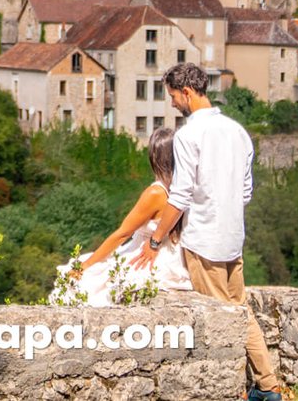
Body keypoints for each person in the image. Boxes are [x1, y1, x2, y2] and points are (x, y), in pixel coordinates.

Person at [131, 62, 281, 401]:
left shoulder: (188, 136)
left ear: (186, 93)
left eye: (172, 96)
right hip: (232, 238)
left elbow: (181, 196)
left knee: (219, 323)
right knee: (240, 311)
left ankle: (237, 391)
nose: (171, 103)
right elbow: (245, 193)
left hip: (204, 241)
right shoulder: (237, 132)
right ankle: (268, 386)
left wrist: (155, 241)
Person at [48, 127, 192, 306]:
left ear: (155, 159)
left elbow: (122, 234)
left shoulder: (155, 193)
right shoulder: (186, 188)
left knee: (88, 279)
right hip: (173, 256)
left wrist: (85, 266)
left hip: (145, 254)